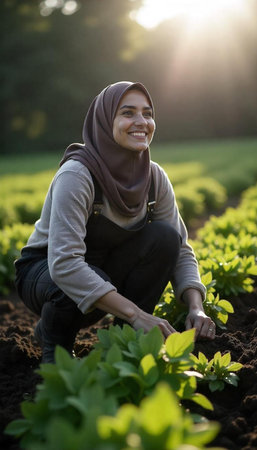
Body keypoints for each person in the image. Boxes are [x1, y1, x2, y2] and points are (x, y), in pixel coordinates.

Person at [15, 81, 216, 364]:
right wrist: (138, 314)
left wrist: (196, 307)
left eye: (147, 113)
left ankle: (124, 346)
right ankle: (55, 345)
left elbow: (181, 249)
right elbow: (64, 264)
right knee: (83, 278)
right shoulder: (77, 175)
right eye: (128, 113)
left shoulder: (154, 178)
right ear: (105, 120)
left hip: (103, 267)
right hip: (45, 273)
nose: (141, 122)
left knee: (164, 238)